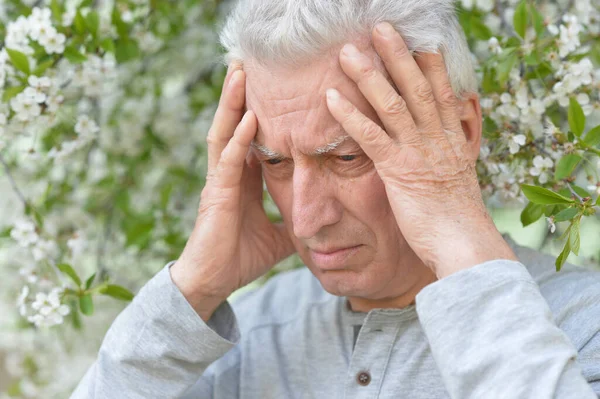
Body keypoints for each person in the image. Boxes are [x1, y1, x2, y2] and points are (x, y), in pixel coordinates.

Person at [71, 0, 600, 397]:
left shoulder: (581, 325)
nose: (304, 219)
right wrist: (192, 290)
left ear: (459, 134)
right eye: (275, 162)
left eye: (347, 157)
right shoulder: (249, 336)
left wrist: (458, 237)